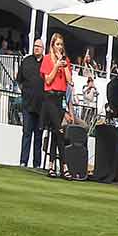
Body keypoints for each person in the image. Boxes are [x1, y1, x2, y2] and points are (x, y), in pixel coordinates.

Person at [39, 33, 72, 176]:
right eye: (57, 44)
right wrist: (56, 65)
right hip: (50, 98)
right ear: (52, 45)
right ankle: (64, 165)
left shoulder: (66, 60)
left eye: (61, 45)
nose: (59, 47)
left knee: (55, 131)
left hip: (61, 98)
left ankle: (51, 165)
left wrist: (63, 65)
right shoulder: (47, 59)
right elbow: (47, 80)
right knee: (59, 130)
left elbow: (70, 81)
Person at [17, 38, 45, 169]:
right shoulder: (27, 61)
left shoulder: (46, 63)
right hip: (28, 104)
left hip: (41, 106)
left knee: (38, 137)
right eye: (35, 46)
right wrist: (25, 93)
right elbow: (19, 80)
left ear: (43, 48)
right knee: (27, 134)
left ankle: (37, 164)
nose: (36, 48)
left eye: (38, 46)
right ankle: (23, 162)